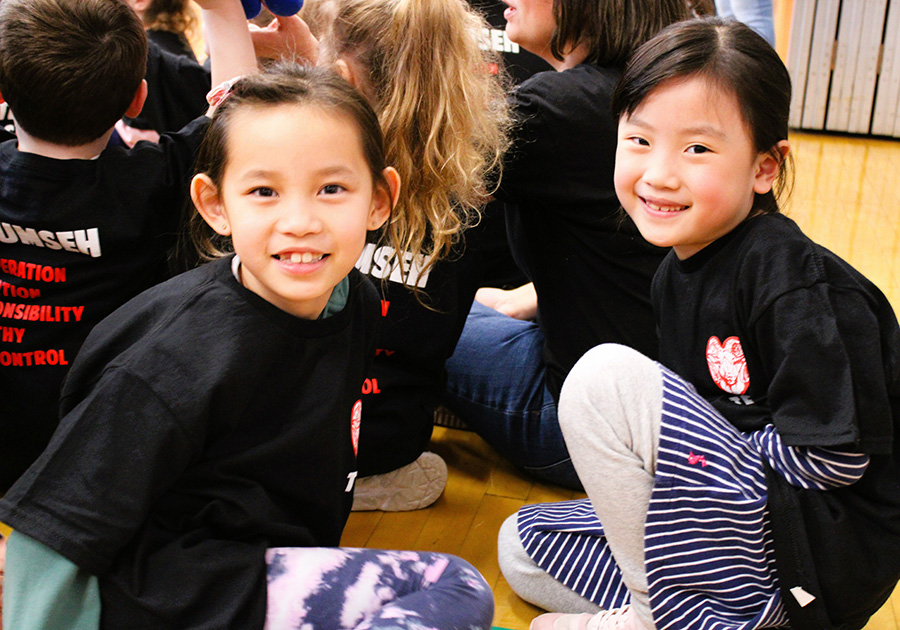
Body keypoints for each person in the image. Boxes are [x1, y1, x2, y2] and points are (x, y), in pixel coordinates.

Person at [0, 63, 495, 630]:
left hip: (249, 572)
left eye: (331, 189)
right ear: (215, 205)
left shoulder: (352, 298)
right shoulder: (174, 359)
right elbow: (53, 529)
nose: (300, 222)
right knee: (452, 587)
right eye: (264, 192)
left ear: (380, 200)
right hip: (161, 599)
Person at [498, 18, 900, 630]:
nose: (659, 173)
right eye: (638, 140)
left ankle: (654, 614)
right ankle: (691, 609)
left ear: (766, 167)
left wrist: (694, 458)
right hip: (742, 525)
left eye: (698, 149)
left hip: (808, 559)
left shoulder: (791, 280)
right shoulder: (676, 272)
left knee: (602, 377)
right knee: (524, 543)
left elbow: (833, 458)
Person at [0, 0, 257, 495]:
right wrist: (225, 12)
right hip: (99, 451)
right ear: (138, 99)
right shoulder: (150, 183)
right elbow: (239, 123)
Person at [443, 0, 690, 489]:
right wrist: (527, 296)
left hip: (585, 434)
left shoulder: (558, 107)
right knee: (475, 306)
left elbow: (406, 179)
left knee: (412, 309)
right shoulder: (678, 92)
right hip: (690, 422)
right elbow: (643, 253)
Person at [304, 0, 512, 511]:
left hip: (294, 435)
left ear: (340, 77)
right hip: (394, 438)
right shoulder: (479, 197)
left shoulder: (307, 179)